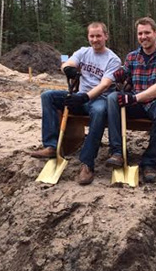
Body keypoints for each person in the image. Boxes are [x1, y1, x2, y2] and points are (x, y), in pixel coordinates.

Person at [30, 22, 122, 185]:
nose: (95, 40)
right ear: (88, 37)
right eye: (92, 36)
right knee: (48, 96)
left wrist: (84, 97)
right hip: (80, 96)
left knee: (100, 111)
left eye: (98, 36)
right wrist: (68, 69)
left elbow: (105, 85)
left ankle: (87, 163)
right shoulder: (83, 51)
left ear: (106, 36)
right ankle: (52, 146)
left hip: (99, 98)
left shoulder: (113, 59)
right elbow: (67, 62)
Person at [106, 16, 156, 184]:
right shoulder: (132, 57)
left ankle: (150, 163)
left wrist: (133, 98)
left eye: (147, 33)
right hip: (136, 102)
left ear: (155, 33)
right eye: (140, 33)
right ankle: (117, 152)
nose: (143, 37)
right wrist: (114, 74)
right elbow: (122, 73)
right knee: (111, 98)